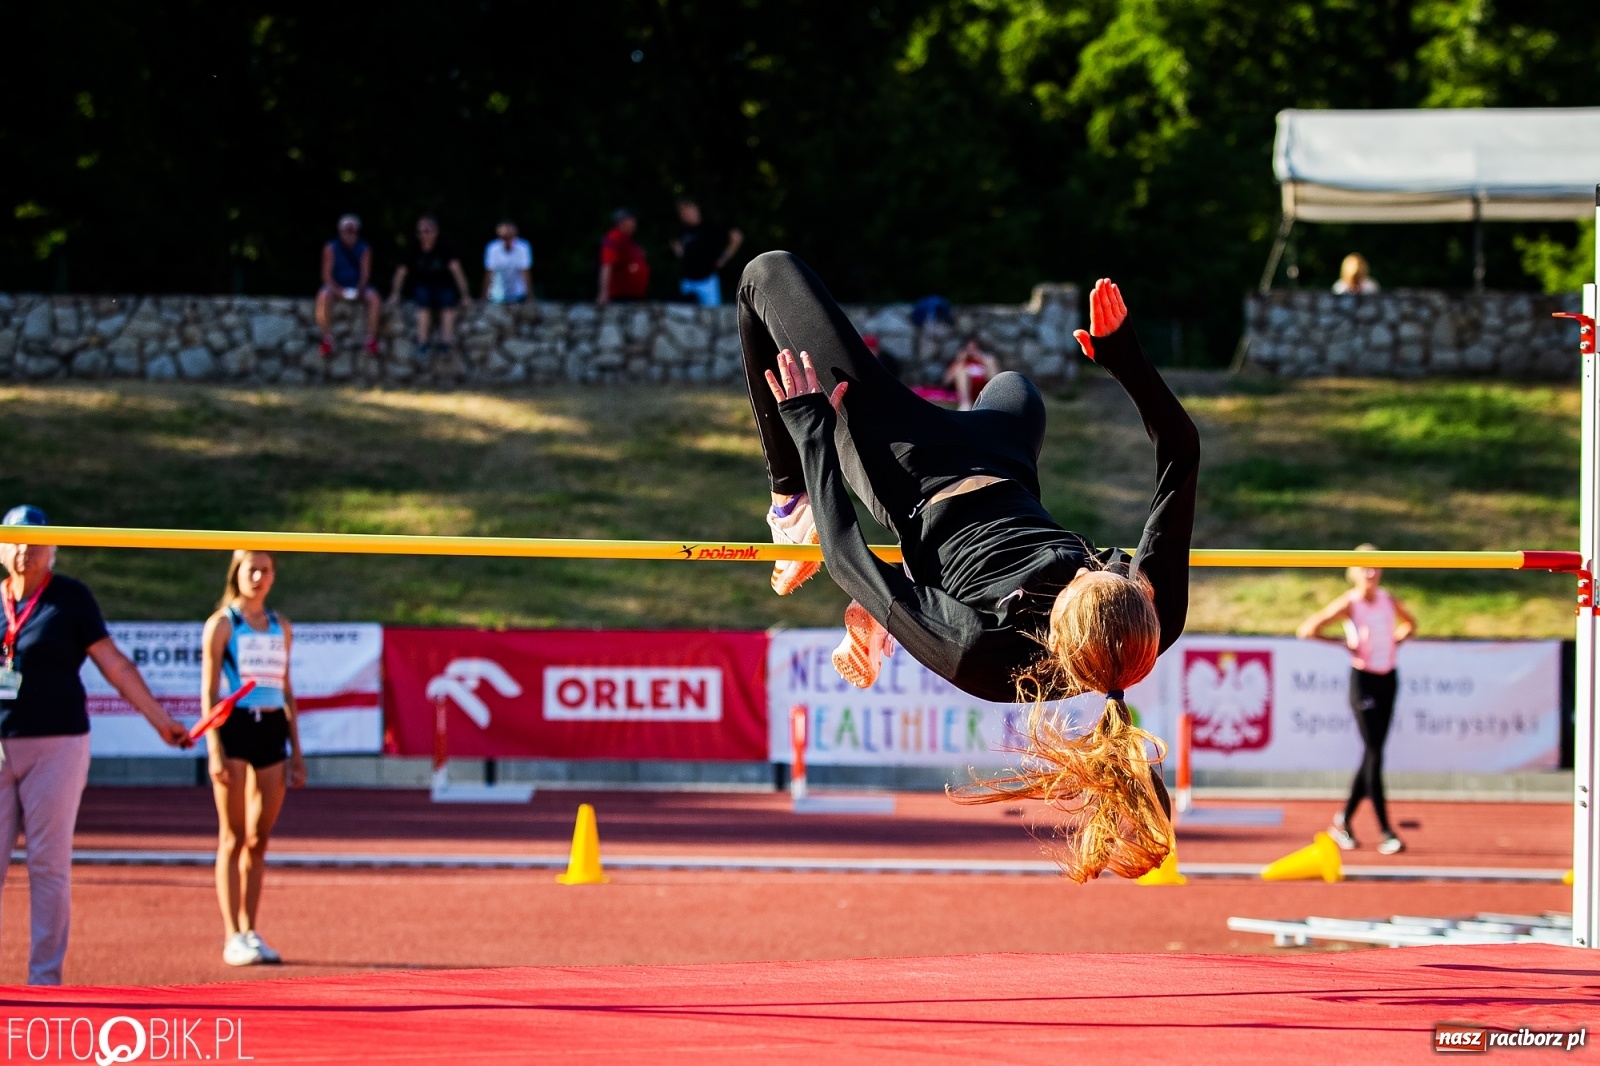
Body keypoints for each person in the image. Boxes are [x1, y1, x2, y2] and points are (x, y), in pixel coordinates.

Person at [739, 252, 1199, 883]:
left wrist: (812, 435)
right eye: (1101, 565)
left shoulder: (982, 652)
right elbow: (1181, 450)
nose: (1092, 562)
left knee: (766, 276)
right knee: (1013, 388)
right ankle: (888, 614)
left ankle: (791, 503)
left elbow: (848, 557)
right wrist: (1124, 356)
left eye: (1085, 573)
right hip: (1004, 464)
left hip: (906, 472)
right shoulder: (1151, 615)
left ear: (1058, 619)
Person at [0, 505, 190, 984]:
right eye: (13, 540)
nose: (24, 550)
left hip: (56, 746)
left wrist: (160, 720)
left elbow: (115, 666)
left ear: (53, 549)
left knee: (48, 865)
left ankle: (45, 979)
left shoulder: (70, 599)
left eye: (35, 541)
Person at [201, 550, 306, 967]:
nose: (259, 576)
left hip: (272, 729)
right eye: (252, 569)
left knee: (259, 839)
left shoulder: (282, 626)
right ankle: (232, 934)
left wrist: (297, 752)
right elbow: (209, 691)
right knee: (234, 835)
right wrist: (214, 749)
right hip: (235, 728)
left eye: (266, 570)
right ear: (237, 573)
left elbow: (287, 689)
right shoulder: (223, 624)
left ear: (274, 576)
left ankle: (250, 929)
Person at [1296, 545, 1417, 855]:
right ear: (1354, 573)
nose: (1371, 573)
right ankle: (1386, 831)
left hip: (1388, 678)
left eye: (1375, 567)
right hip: (1363, 682)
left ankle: (1344, 821)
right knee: (1374, 753)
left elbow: (1411, 624)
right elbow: (1307, 630)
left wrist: (1396, 641)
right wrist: (1342, 643)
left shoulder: (1388, 599)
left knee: (1373, 753)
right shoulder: (1350, 603)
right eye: (1365, 568)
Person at [389, 215, 473, 354]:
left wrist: (465, 295)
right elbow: (401, 272)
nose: (423, 235)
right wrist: (395, 293)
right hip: (422, 286)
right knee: (423, 301)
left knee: (448, 302)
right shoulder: (413, 247)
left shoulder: (445, 246)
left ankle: (446, 344)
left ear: (435, 232)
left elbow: (457, 271)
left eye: (427, 231)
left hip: (444, 285)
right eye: (420, 231)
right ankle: (422, 343)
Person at [314, 215, 383, 357]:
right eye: (347, 230)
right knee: (323, 296)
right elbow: (326, 276)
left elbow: (365, 275)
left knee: (374, 297)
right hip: (336, 286)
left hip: (357, 287)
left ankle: (371, 340)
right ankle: (326, 340)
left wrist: (359, 289)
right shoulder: (330, 248)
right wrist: (338, 290)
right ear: (340, 231)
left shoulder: (364, 249)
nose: (350, 234)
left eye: (352, 231)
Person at [670, 197, 742, 307]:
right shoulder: (681, 229)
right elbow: (674, 240)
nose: (685, 215)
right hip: (688, 280)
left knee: (711, 314)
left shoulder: (710, 226)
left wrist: (724, 257)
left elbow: (736, 237)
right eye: (682, 212)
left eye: (687, 211)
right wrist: (678, 250)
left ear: (696, 209)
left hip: (707, 280)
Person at [597, 208, 650, 306]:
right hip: (620, 298)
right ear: (623, 221)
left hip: (633, 297)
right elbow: (607, 265)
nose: (635, 223)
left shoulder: (627, 240)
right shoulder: (615, 238)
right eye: (632, 220)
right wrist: (603, 293)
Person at [943, 339, 1001, 412]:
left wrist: (983, 359)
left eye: (974, 348)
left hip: (984, 390)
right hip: (967, 392)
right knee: (962, 370)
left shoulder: (985, 360)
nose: (971, 351)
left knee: (991, 361)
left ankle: (995, 400)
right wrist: (960, 361)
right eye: (969, 349)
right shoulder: (961, 363)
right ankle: (966, 404)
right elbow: (947, 381)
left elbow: (994, 376)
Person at [483, 220, 533, 304]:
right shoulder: (492, 248)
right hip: (496, 295)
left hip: (518, 294)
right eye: (504, 237)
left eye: (509, 237)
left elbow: (525, 273)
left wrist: (530, 297)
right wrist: (484, 297)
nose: (506, 240)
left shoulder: (523, 247)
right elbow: (489, 273)